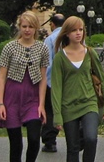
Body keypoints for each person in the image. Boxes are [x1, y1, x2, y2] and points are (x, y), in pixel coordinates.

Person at [51, 16, 104, 162]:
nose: (78, 33)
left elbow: (102, 79)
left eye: (80, 30)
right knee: (73, 148)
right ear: (66, 33)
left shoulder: (90, 53)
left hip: (89, 103)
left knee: (91, 139)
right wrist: (57, 115)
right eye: (74, 30)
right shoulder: (60, 57)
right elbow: (56, 88)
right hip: (68, 106)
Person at [0, 10, 50, 162]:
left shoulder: (42, 48)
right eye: (24, 26)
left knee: (34, 139)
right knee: (16, 144)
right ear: (19, 27)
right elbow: (1, 76)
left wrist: (41, 105)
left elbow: (43, 78)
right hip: (12, 97)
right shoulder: (10, 47)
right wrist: (0, 103)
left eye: (31, 27)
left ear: (36, 29)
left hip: (32, 97)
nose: (27, 30)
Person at [41, 13, 65, 154]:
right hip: (69, 82)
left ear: (52, 24)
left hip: (52, 82)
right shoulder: (73, 37)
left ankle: (50, 142)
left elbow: (47, 63)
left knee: (49, 112)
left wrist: (46, 81)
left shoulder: (49, 39)